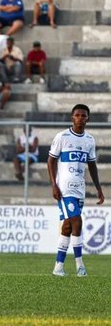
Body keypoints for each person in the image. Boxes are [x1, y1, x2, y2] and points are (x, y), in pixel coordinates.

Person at [48, 104, 104, 277]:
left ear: (88, 119)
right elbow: (51, 161)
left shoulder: (89, 140)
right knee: (77, 221)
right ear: (72, 117)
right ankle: (80, 266)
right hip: (64, 189)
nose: (80, 118)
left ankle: (58, 267)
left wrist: (98, 188)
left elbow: (92, 165)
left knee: (67, 226)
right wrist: (54, 185)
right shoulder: (62, 137)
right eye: (77, 115)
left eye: (83, 115)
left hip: (79, 188)